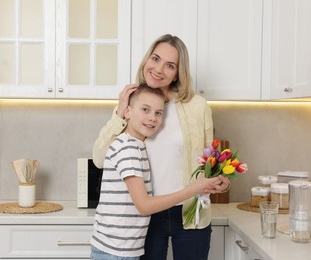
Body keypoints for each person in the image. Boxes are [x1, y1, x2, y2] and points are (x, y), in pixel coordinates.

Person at [92, 35, 231, 260]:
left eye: (170, 65)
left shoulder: (198, 107)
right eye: (155, 59)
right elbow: (100, 159)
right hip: (145, 215)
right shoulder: (132, 102)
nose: (158, 69)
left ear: (178, 72)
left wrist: (221, 183)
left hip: (189, 212)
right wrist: (119, 113)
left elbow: (210, 164)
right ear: (147, 59)